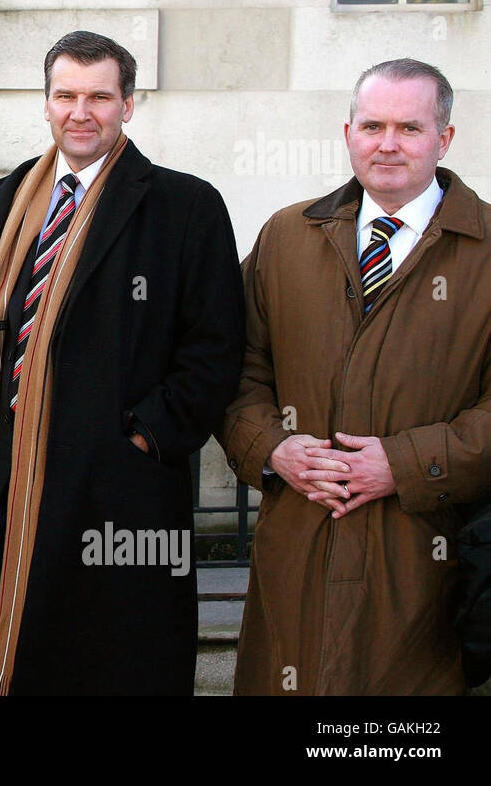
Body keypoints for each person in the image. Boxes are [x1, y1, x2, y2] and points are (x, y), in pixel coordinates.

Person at [0, 30, 245, 696]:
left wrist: (142, 438)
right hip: (13, 486)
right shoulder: (10, 201)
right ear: (47, 102)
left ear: (128, 104)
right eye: (66, 95)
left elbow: (216, 348)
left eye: (100, 96)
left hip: (120, 495)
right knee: (22, 664)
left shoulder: (183, 205)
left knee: (114, 666)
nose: (81, 111)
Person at [220, 58, 491, 695]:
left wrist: (404, 463)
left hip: (427, 554)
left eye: (410, 127)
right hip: (299, 542)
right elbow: (233, 367)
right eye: (372, 125)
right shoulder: (289, 236)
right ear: (347, 134)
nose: (387, 144)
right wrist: (273, 448)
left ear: (444, 138)